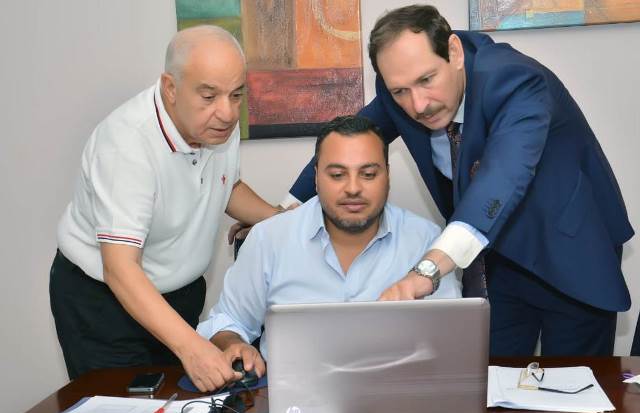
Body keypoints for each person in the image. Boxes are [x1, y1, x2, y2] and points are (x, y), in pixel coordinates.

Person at [286, 5, 633, 356]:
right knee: (488, 378)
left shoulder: (515, 79)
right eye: (400, 91)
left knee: (573, 384)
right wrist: (286, 209)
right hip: (494, 255)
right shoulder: (399, 86)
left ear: (453, 52)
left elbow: (501, 178)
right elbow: (347, 142)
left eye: (426, 80)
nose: (418, 105)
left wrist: (425, 272)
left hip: (569, 249)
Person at [50, 25, 281, 391]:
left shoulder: (216, 123)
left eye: (237, 94)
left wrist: (282, 221)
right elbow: (120, 268)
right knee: (126, 408)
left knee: (183, 403)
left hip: (179, 295)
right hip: (107, 304)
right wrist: (193, 348)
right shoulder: (127, 144)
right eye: (209, 96)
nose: (227, 112)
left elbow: (225, 186)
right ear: (171, 88)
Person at [196, 115, 460, 384]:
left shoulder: (426, 241)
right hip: (293, 394)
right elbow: (227, 320)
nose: (353, 188)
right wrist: (234, 344)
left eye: (368, 174)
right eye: (337, 175)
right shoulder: (269, 238)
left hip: (397, 391)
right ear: (316, 179)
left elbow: (453, 333)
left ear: (387, 177)